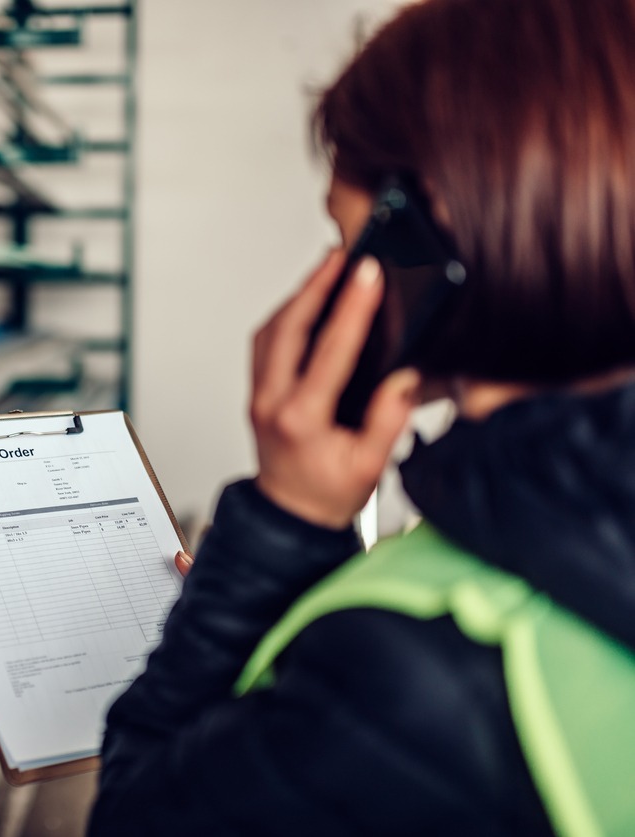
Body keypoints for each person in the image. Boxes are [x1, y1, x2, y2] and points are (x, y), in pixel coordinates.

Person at [89, 0, 635, 834]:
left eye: (347, 241)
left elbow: (135, 817)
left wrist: (285, 520)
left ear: (427, 231)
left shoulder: (417, 678)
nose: (338, 271)